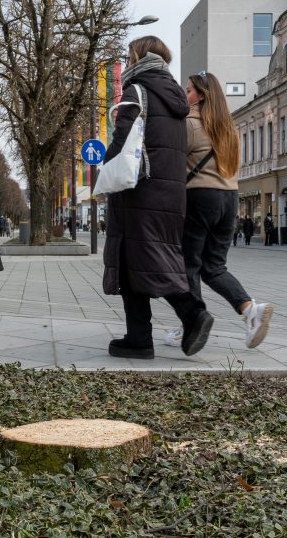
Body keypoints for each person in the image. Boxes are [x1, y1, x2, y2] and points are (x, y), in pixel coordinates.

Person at [102, 36, 214, 360]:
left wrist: (104, 172)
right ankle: (139, 339)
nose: (127, 58)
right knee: (146, 261)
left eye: (129, 54)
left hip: (139, 192)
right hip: (171, 194)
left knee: (135, 260)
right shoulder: (177, 98)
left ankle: (192, 314)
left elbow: (123, 142)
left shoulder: (136, 91)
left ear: (138, 56)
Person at [164, 71, 274, 350]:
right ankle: (251, 310)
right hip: (229, 198)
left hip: (200, 197)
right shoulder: (229, 128)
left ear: (201, 95)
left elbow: (171, 162)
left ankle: (192, 322)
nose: (184, 95)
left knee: (188, 265)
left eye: (188, 90)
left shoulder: (188, 123)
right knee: (213, 266)